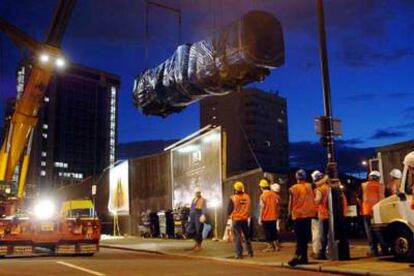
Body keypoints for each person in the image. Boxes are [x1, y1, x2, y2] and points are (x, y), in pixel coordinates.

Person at [288, 169, 316, 267]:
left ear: (296, 178)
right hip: (308, 215)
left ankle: (297, 256)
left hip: (298, 215)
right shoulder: (310, 186)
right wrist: (326, 177)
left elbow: (291, 203)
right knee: (304, 238)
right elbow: (317, 184)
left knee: (299, 238)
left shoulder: (293, 188)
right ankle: (304, 258)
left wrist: (289, 216)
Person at [361, 171, 385, 256]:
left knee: (370, 232)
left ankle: (374, 251)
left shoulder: (364, 185)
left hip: (367, 211)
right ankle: (384, 249)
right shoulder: (381, 186)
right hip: (378, 211)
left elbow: (359, 197)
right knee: (380, 230)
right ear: (378, 178)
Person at [228, 181, 253, 259]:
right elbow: (248, 207)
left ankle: (239, 254)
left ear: (235, 189)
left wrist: (230, 216)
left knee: (238, 237)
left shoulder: (233, 198)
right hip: (245, 219)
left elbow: (229, 210)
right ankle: (250, 252)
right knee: (247, 236)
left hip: (236, 219)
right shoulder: (247, 197)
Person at [258, 178, 279, 252]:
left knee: (267, 232)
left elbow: (262, 207)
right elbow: (277, 204)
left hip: (266, 217)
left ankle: (270, 246)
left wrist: (260, 217)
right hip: (274, 216)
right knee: (274, 231)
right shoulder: (274, 194)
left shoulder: (262, 196)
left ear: (261, 187)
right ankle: (276, 246)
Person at [314, 173, 330, 260]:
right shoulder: (328, 187)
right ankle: (328, 251)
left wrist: (313, 201)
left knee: (322, 234)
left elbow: (317, 201)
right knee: (328, 234)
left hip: (323, 214)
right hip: (330, 214)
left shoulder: (320, 189)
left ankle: (321, 252)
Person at [310, 170, 323, 259]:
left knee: (316, 234)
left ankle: (317, 251)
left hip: (317, 213)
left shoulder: (318, 190)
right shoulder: (327, 187)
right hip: (325, 214)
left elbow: (317, 201)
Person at [189, 187, 207, 251]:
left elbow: (204, 208)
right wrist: (190, 216)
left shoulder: (203, 200)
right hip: (193, 216)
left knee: (199, 231)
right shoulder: (193, 199)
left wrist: (203, 215)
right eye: (196, 193)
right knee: (191, 230)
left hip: (199, 216)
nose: (197, 194)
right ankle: (196, 243)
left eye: (198, 193)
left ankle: (199, 245)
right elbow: (191, 208)